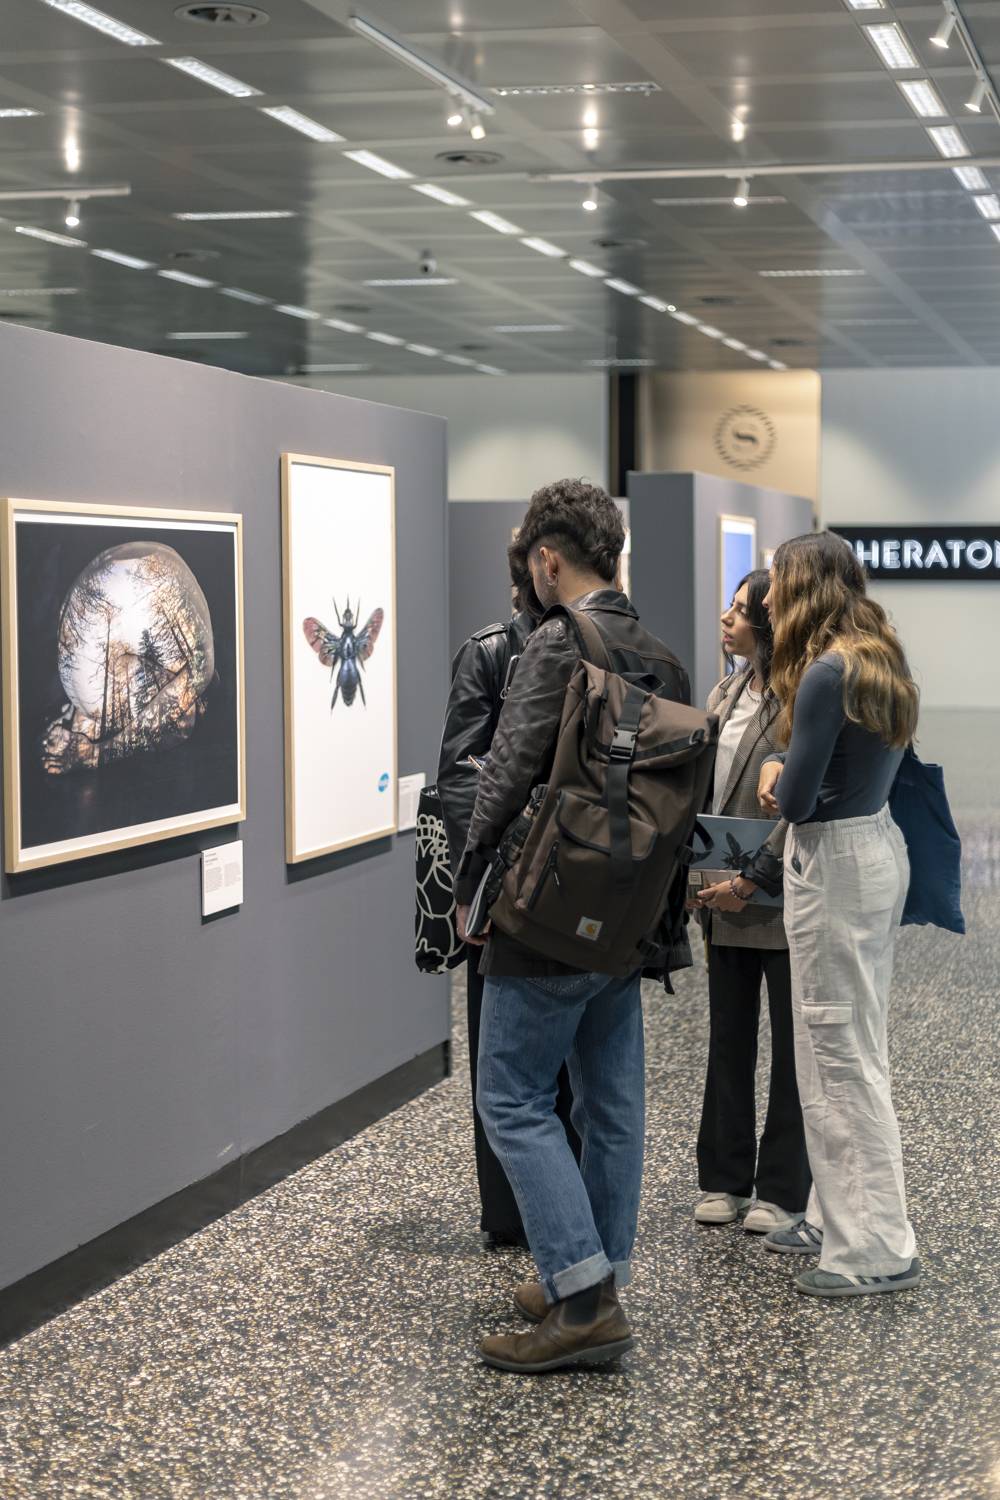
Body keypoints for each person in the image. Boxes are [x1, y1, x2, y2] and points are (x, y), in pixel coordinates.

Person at [454, 478, 690, 1373]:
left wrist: (472, 886)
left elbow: (508, 772)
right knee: (611, 1102)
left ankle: (582, 1301)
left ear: (548, 559)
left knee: (512, 1097)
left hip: (546, 911)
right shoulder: (658, 652)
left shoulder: (557, 640)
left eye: (531, 561)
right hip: (627, 915)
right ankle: (595, 1273)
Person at [756, 531, 920, 1297]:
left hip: (835, 864)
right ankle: (835, 1214)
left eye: (778, 582)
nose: (767, 598)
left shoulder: (825, 672)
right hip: (872, 850)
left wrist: (772, 771)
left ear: (806, 588)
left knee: (837, 1050)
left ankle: (875, 1249)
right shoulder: (878, 652)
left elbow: (791, 798)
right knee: (849, 1039)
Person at [436, 550, 578, 1250]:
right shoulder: (489, 654)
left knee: (573, 1067)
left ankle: (565, 1205)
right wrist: (489, 877)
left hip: (573, 882)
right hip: (502, 887)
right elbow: (461, 777)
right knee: (502, 1061)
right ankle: (511, 1213)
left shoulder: (587, 645)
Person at [692, 571, 811, 1236]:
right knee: (728, 1039)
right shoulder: (724, 692)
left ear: (769, 627)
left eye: (740, 612)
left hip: (784, 894)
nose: (727, 619)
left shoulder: (801, 699)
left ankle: (783, 1187)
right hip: (721, 894)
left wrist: (752, 880)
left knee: (792, 1050)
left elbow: (796, 801)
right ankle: (725, 1180)